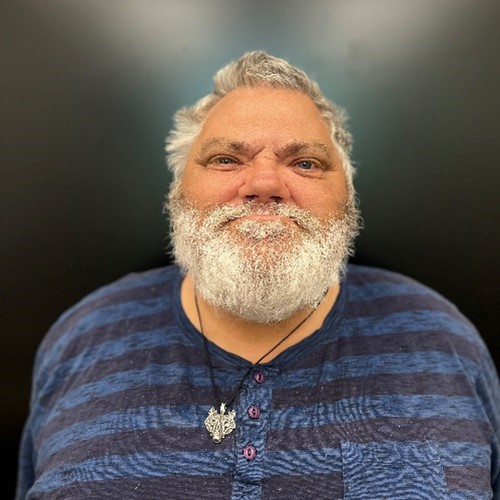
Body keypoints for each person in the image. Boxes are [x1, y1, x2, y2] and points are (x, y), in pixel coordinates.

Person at [17, 51, 499, 499]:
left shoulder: (444, 340)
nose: (265, 184)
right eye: (226, 159)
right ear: (178, 190)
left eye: (305, 163)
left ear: (347, 199)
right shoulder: (81, 338)